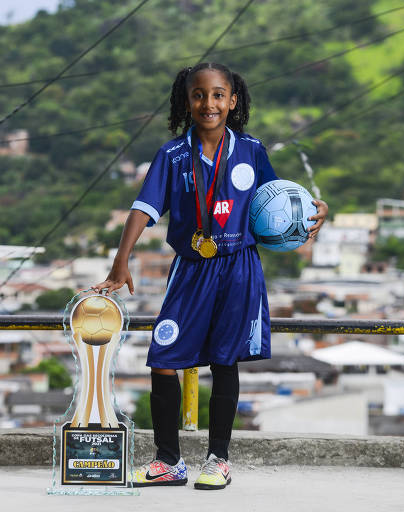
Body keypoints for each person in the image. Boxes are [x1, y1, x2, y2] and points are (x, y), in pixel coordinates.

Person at [93, 62, 328, 490]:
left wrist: (315, 212)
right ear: (187, 101)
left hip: (238, 266)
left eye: (218, 94)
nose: (209, 103)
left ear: (233, 101)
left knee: (224, 360)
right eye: (199, 95)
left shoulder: (252, 150)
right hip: (191, 268)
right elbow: (144, 208)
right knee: (163, 360)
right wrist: (120, 261)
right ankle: (168, 461)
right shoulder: (172, 155)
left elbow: (279, 204)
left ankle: (218, 459)